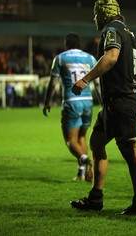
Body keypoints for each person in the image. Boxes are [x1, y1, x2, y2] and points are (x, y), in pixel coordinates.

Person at [70, 0, 136, 216]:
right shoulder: (128, 32)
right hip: (116, 101)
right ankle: (96, 197)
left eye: (96, 14)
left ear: (104, 14)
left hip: (122, 100)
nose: (95, 19)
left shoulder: (110, 30)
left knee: (130, 152)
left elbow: (112, 57)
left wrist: (85, 80)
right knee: (97, 142)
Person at [43, 33, 97, 182]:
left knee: (70, 141)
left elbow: (52, 83)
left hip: (71, 101)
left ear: (66, 44)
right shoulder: (90, 58)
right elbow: (97, 84)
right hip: (88, 101)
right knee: (81, 137)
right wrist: (102, 102)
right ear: (79, 43)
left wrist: (47, 102)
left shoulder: (60, 58)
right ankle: (83, 172)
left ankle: (86, 160)